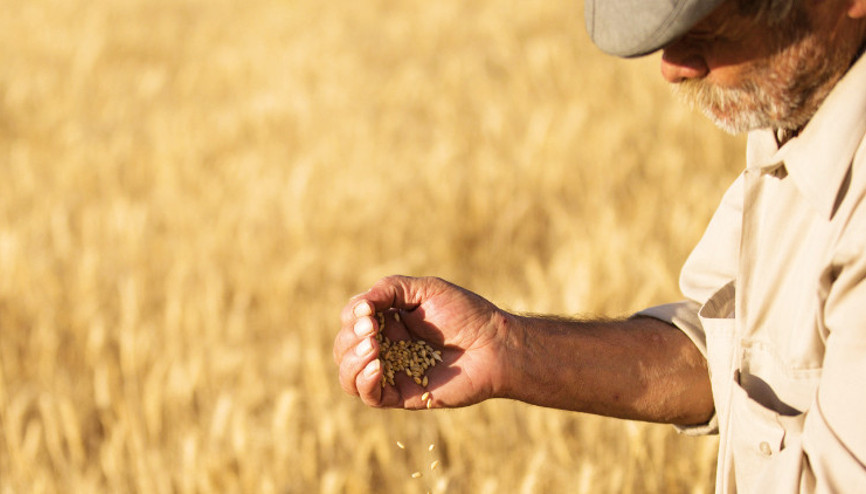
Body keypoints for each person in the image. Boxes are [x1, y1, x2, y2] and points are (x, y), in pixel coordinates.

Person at [333, 0, 866, 491]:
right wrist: (506, 347)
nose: (672, 67)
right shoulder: (800, 108)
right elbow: (731, 358)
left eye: (708, 28)